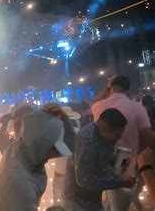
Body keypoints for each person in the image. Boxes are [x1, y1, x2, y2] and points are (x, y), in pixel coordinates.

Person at [0, 104, 73, 210]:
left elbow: (70, 146)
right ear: (41, 144)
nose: (53, 154)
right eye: (52, 148)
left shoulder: (19, 148)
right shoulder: (21, 184)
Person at [91, 76, 153, 210]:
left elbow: (93, 103)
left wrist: (107, 87)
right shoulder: (137, 107)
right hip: (123, 159)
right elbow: (148, 136)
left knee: (110, 200)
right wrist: (136, 152)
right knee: (119, 205)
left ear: (111, 88)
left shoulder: (98, 106)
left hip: (101, 160)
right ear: (128, 90)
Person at [63, 108, 136, 210]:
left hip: (93, 198)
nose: (120, 138)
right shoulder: (87, 140)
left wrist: (117, 162)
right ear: (103, 128)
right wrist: (120, 181)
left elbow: (100, 161)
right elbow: (85, 180)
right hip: (77, 202)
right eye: (117, 135)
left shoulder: (105, 136)